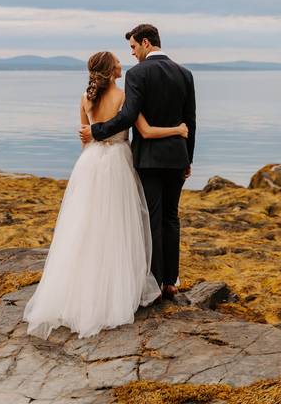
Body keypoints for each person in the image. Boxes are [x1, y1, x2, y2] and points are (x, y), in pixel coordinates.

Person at [23, 50, 189, 339]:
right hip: (118, 163)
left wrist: (90, 163)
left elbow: (86, 138)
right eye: (116, 62)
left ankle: (81, 289)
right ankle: (119, 289)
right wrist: (178, 129)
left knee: (87, 227)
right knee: (121, 226)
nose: (121, 64)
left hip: (89, 165)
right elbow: (146, 132)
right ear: (111, 70)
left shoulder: (85, 98)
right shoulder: (124, 96)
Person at [79, 24, 195, 301]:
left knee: (152, 219)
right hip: (177, 157)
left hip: (149, 159)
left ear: (145, 42)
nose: (132, 53)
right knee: (171, 218)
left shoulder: (138, 74)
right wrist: (187, 158)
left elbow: (129, 115)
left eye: (133, 47)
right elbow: (190, 121)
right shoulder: (185, 73)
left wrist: (97, 132)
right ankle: (171, 281)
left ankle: (154, 284)